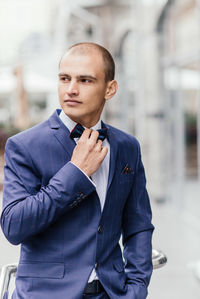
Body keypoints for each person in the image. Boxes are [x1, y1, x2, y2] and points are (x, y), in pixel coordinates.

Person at [1, 42, 154, 299]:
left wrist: (136, 289)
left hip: (111, 293)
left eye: (85, 80)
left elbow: (138, 226)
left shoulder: (127, 146)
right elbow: (14, 227)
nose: (71, 89)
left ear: (110, 89)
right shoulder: (24, 146)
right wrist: (76, 172)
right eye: (64, 78)